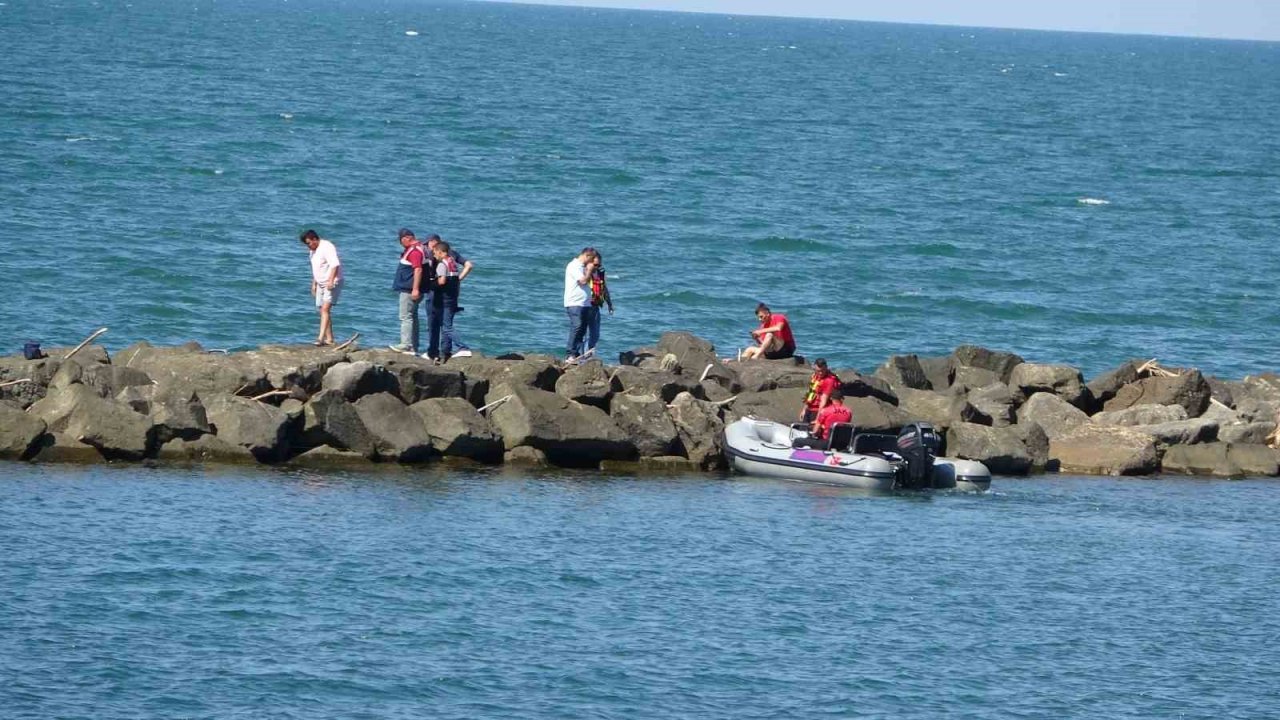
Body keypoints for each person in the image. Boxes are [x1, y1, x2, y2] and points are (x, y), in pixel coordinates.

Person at [423, 234, 474, 361]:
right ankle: (445, 352)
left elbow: (441, 281)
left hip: (441, 297)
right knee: (446, 324)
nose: (433, 254)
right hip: (452, 296)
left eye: (435, 252)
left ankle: (461, 347)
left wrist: (430, 284)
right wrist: (458, 280)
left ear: (439, 251)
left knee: (441, 326)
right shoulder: (452, 261)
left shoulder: (442, 264)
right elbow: (468, 265)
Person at [389, 228, 427, 355]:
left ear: (406, 238)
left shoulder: (415, 251)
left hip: (409, 290)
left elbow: (418, 270)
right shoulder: (420, 248)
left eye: (401, 240)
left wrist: (415, 289)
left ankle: (406, 345)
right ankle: (413, 346)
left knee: (406, 317)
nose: (400, 243)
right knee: (412, 317)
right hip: (412, 289)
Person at [300, 229, 341, 346]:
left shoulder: (327, 247)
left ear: (315, 239)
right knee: (322, 309)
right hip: (320, 283)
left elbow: (335, 264)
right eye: (306, 244)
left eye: (309, 243)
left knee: (325, 309)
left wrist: (331, 281)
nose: (308, 246)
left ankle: (320, 338)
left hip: (332, 282)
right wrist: (314, 283)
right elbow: (316, 268)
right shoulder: (313, 251)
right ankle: (330, 338)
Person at [563, 247, 598, 364]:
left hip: (585, 303)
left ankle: (576, 353)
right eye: (591, 259)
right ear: (586, 256)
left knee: (582, 329)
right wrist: (589, 270)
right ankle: (570, 354)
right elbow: (582, 281)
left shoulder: (583, 267)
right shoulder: (574, 266)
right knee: (577, 326)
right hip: (574, 302)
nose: (591, 262)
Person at [584, 249, 614, 359]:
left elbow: (604, 288)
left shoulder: (600, 273)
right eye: (595, 265)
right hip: (585, 305)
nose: (596, 267)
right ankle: (581, 356)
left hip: (595, 306)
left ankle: (588, 355)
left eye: (599, 265)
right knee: (582, 333)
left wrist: (609, 304)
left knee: (595, 334)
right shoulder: (584, 272)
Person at [800, 358, 840, 423]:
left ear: (826, 367)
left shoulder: (829, 380)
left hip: (818, 411)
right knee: (803, 428)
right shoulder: (815, 376)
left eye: (823, 370)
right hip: (809, 409)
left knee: (812, 429)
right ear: (814, 368)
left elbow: (823, 401)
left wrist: (818, 419)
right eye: (818, 371)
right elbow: (811, 393)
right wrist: (804, 409)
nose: (821, 373)